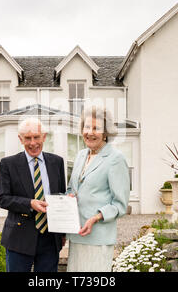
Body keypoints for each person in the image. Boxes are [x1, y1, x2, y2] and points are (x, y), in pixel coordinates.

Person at [0, 117, 66, 272]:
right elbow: (3, 199)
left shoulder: (57, 162)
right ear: (20, 139)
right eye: (28, 138)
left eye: (36, 137)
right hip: (19, 238)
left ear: (44, 137)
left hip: (50, 237)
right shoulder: (8, 164)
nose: (33, 143)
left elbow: (60, 195)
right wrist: (30, 203)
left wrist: (62, 233)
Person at [66, 106, 130, 272]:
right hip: (77, 234)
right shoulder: (80, 155)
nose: (90, 132)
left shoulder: (116, 159)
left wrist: (96, 217)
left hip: (98, 236)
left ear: (106, 132)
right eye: (87, 127)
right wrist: (68, 198)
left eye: (96, 128)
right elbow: (71, 188)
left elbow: (120, 205)